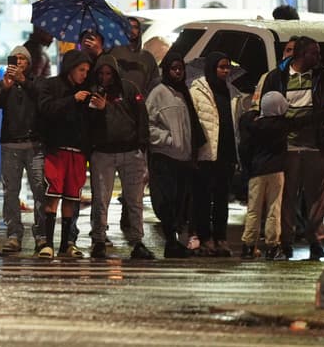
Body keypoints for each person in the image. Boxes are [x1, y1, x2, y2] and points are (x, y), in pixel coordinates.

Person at [255, 35, 324, 261]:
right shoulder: (277, 77)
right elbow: (268, 111)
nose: (319, 57)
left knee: (316, 198)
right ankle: (286, 242)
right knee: (287, 196)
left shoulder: (323, 77)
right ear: (301, 54)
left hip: (316, 146)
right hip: (287, 146)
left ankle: (315, 242)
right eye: (314, 52)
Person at [87, 54, 154, 260]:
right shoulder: (93, 92)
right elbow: (88, 123)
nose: (105, 77)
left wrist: (142, 147)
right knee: (101, 199)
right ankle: (99, 239)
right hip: (103, 153)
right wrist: (97, 110)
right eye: (101, 74)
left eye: (108, 73)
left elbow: (141, 117)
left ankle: (137, 241)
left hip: (130, 152)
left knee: (134, 200)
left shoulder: (129, 89)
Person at [36, 50, 94, 259]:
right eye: (81, 70)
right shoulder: (52, 85)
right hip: (56, 148)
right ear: (70, 68)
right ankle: (48, 243)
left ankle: (66, 244)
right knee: (52, 196)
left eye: (87, 71)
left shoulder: (87, 90)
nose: (84, 75)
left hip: (78, 151)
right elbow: (45, 109)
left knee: (71, 197)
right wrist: (72, 99)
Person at [0, 45, 46, 255]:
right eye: (15, 59)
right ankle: (14, 234)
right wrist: (5, 88)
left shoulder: (38, 82)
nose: (19, 62)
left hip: (34, 145)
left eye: (23, 59)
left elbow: (42, 99)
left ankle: (41, 234)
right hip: (10, 144)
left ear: (29, 63)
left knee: (39, 190)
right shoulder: (5, 82)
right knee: (11, 192)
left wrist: (23, 81)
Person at [145, 51, 196, 259]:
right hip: (164, 156)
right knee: (166, 201)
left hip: (182, 157)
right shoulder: (158, 92)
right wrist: (167, 139)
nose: (177, 72)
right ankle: (170, 241)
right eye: (173, 68)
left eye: (180, 68)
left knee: (179, 202)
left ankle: (174, 242)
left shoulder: (183, 92)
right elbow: (148, 123)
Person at [189, 51, 239, 257]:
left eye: (227, 67)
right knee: (202, 198)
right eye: (221, 67)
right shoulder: (197, 91)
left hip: (226, 153)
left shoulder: (231, 92)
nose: (225, 71)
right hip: (206, 153)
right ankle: (204, 237)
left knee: (221, 199)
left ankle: (220, 238)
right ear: (211, 67)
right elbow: (193, 121)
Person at [238, 91, 293, 260]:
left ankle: (248, 246)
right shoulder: (282, 126)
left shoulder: (253, 125)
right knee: (273, 210)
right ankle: (272, 246)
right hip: (276, 171)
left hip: (256, 172)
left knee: (253, 210)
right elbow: (302, 121)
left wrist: (247, 168)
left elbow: (245, 148)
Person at [112, 16, 160, 96]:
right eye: (128, 26)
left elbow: (154, 82)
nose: (132, 30)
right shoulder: (114, 53)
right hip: (118, 101)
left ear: (139, 31)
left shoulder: (147, 57)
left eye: (135, 27)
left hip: (141, 102)